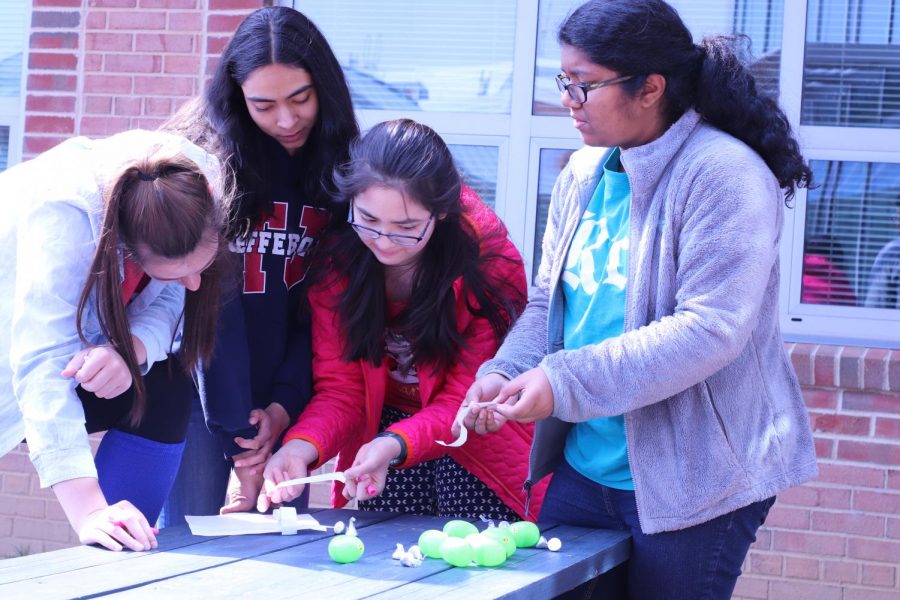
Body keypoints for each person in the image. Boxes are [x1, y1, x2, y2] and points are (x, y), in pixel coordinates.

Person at [460, 1, 818, 598]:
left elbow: (709, 330)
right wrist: (507, 370)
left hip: (696, 483)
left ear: (651, 87)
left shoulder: (724, 174)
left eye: (584, 85)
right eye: (564, 81)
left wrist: (560, 383)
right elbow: (551, 299)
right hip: (585, 465)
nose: (568, 99)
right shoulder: (583, 173)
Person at [259, 119, 546, 521]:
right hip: (386, 431)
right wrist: (299, 448)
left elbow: (466, 397)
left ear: (442, 211)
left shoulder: (488, 262)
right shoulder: (336, 261)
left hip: (476, 435)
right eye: (369, 220)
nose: (384, 240)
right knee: (394, 558)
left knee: (472, 561)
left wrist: (393, 442)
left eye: (406, 227)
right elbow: (343, 389)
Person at [159, 5, 359, 523]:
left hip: (287, 405)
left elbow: (325, 310)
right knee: (180, 559)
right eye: (263, 105)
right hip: (197, 397)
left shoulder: (342, 171)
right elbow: (204, 302)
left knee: (273, 562)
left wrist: (283, 410)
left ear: (325, 88)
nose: (286, 120)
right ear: (236, 96)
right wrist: (239, 433)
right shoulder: (202, 160)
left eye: (301, 98)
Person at [0, 129, 228, 552]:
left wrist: (133, 349)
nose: (195, 284)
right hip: (16, 359)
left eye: (199, 267)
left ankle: (121, 552)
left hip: (65, 356)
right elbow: (43, 367)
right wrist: (88, 509)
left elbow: (171, 293)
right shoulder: (64, 217)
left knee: (167, 384)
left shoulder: (194, 184)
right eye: (176, 271)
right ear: (125, 246)